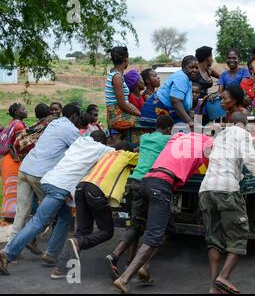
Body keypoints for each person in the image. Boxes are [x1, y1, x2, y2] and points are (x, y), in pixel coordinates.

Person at [0, 131, 115, 276]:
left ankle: (51, 254)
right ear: (103, 142)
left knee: (65, 218)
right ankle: (7, 254)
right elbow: (117, 153)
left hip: (48, 181)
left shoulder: (80, 142)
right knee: (39, 221)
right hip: (59, 188)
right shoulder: (102, 149)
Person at [113, 132, 213, 293]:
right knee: (154, 235)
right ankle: (124, 278)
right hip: (161, 186)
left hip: (146, 181)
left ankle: (144, 267)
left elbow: (176, 135)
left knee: (168, 227)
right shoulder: (208, 143)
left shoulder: (178, 137)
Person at [199, 112, 255, 294]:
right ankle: (223, 278)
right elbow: (251, 160)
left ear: (230, 122)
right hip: (226, 190)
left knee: (214, 240)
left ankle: (214, 287)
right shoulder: (243, 134)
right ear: (244, 123)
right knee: (239, 237)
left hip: (206, 190)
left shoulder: (219, 136)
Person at [51, 147, 139, 279]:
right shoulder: (128, 155)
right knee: (107, 231)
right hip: (97, 190)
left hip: (81, 187)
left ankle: (60, 269)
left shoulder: (107, 155)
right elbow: (145, 159)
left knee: (82, 232)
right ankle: (78, 243)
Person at [105, 115, 175, 280]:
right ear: (168, 129)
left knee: (136, 224)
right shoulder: (168, 140)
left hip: (135, 181)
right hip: (154, 182)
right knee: (161, 228)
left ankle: (115, 256)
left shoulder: (144, 138)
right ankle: (143, 265)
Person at [7, 104, 81, 258]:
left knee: (21, 212)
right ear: (74, 116)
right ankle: (32, 242)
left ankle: (9, 249)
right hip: (40, 174)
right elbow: (80, 151)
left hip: (26, 167)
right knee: (49, 215)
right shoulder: (71, 130)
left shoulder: (54, 123)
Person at [140, 56, 199, 128]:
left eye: (196, 68)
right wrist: (189, 121)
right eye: (191, 67)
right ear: (184, 66)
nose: (195, 70)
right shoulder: (181, 77)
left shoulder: (187, 78)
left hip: (167, 113)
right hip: (153, 115)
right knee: (183, 130)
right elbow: (175, 102)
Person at [0, 103, 27, 219]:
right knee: (15, 189)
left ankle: (8, 216)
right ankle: (13, 218)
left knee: (8, 189)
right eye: (23, 109)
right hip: (14, 161)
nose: (26, 110)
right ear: (16, 112)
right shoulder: (19, 125)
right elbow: (20, 145)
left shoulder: (10, 124)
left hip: (6, 160)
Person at [105, 46, 141, 134]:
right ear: (125, 60)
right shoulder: (117, 77)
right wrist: (140, 114)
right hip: (117, 116)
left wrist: (138, 112)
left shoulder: (115, 74)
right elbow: (122, 105)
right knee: (147, 124)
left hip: (119, 113)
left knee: (144, 120)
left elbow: (125, 103)